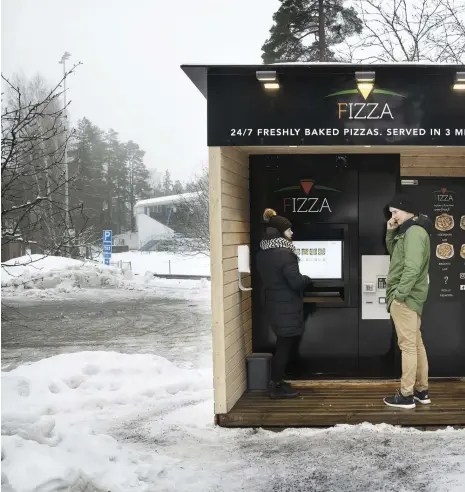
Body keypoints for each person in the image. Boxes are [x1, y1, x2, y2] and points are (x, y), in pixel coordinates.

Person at [256, 208, 311, 399]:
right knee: (284, 347)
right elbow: (295, 282)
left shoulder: (263, 252)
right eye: (289, 231)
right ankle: (276, 385)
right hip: (286, 306)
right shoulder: (285, 253)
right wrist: (307, 279)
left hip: (274, 304)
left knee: (282, 344)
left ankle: (277, 381)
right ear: (280, 233)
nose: (292, 233)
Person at [383, 194, 433, 409]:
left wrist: (399, 295)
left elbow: (411, 268)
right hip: (411, 297)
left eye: (396, 212)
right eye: (391, 212)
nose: (393, 216)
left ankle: (406, 395)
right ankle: (421, 391)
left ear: (408, 211)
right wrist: (391, 229)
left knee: (408, 347)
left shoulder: (414, 233)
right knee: (416, 345)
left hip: (406, 298)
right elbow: (395, 254)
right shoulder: (412, 231)